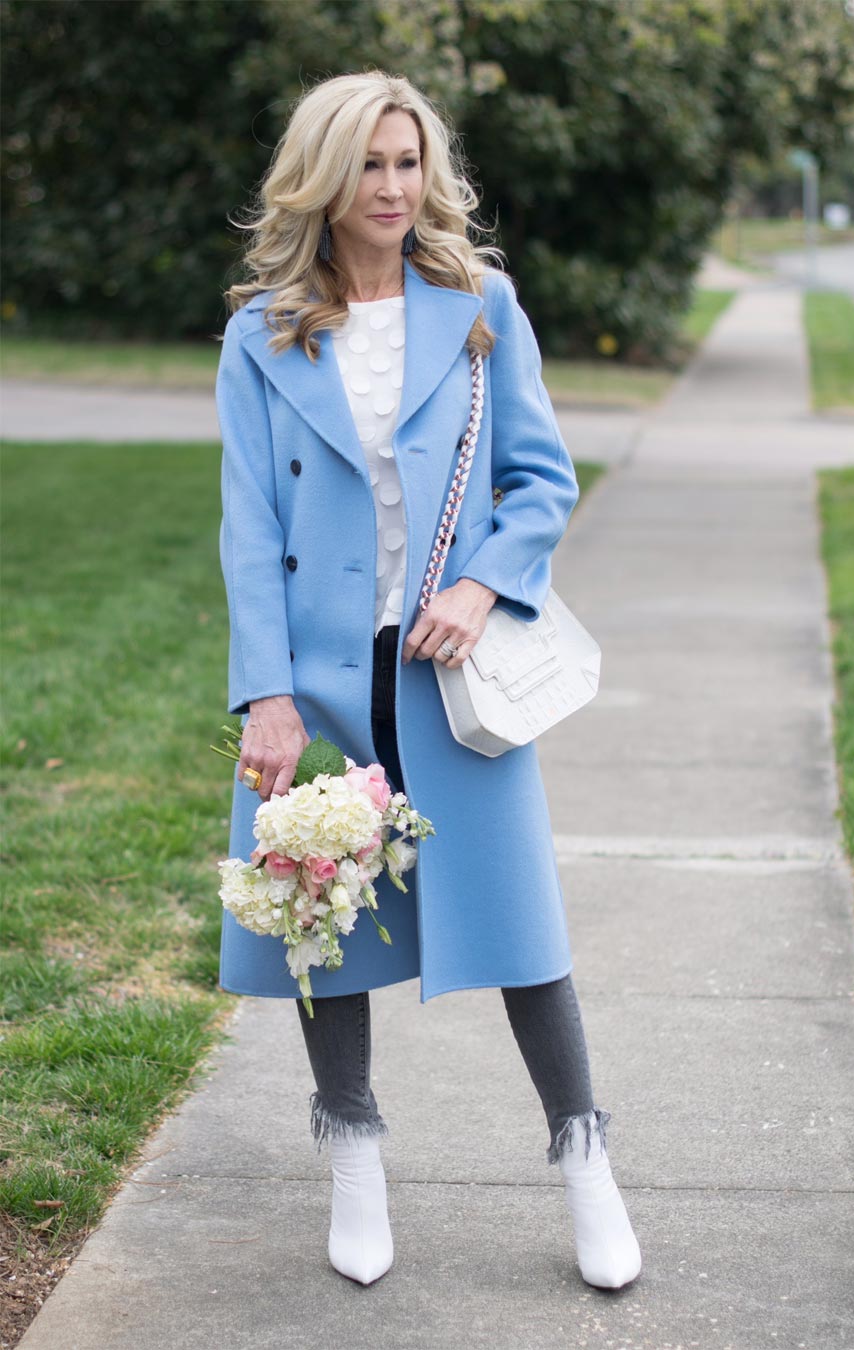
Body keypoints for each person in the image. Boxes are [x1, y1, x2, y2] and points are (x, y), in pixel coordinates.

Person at [215, 69, 641, 1291]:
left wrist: (483, 586)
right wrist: (268, 693)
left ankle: (586, 1162)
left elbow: (541, 479)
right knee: (320, 917)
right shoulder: (262, 335)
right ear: (324, 175)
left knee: (521, 927)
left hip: (449, 675)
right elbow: (250, 528)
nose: (394, 186)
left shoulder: (479, 305)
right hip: (323, 680)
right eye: (370, 163)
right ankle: (353, 1156)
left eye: (409, 162)